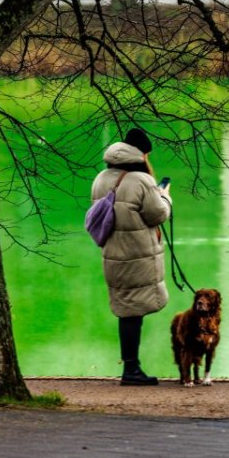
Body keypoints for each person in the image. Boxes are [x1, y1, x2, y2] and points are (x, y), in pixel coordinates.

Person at [92, 127, 173, 385]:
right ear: (142, 154)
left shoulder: (101, 178)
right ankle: (131, 371)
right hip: (137, 254)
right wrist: (166, 199)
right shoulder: (141, 181)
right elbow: (156, 215)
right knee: (133, 312)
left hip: (113, 254)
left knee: (127, 309)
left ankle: (131, 367)